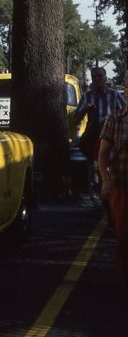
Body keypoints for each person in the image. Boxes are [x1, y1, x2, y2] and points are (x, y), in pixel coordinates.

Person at [75, 67, 126, 203]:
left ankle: (110, 193)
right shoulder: (87, 96)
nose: (96, 79)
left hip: (112, 136)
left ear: (105, 78)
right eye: (93, 77)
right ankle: (94, 195)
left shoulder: (114, 95)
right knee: (93, 165)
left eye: (99, 76)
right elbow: (77, 116)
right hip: (94, 136)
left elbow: (124, 111)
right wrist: (85, 109)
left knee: (111, 164)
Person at [98, 111, 128, 282]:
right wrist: (106, 179)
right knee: (123, 235)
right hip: (122, 187)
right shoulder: (115, 120)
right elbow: (102, 154)